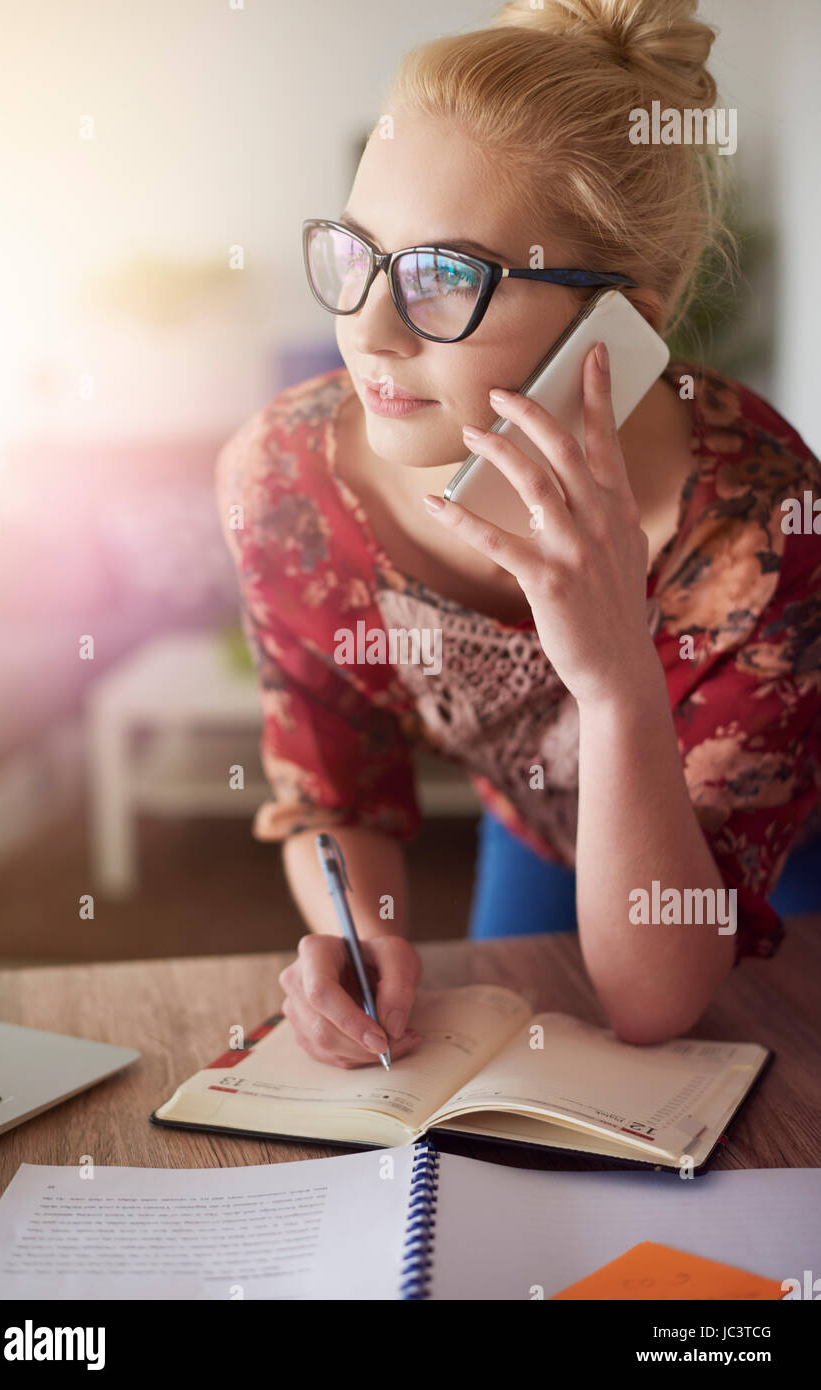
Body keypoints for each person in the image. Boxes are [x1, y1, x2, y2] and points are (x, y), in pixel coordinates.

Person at [216, 0, 821, 1067]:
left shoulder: (763, 526)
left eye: (445, 276)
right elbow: (333, 794)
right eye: (356, 253)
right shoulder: (287, 481)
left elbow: (655, 999)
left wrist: (616, 676)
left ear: (621, 324)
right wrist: (357, 936)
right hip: (542, 815)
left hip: (774, 835)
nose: (365, 331)